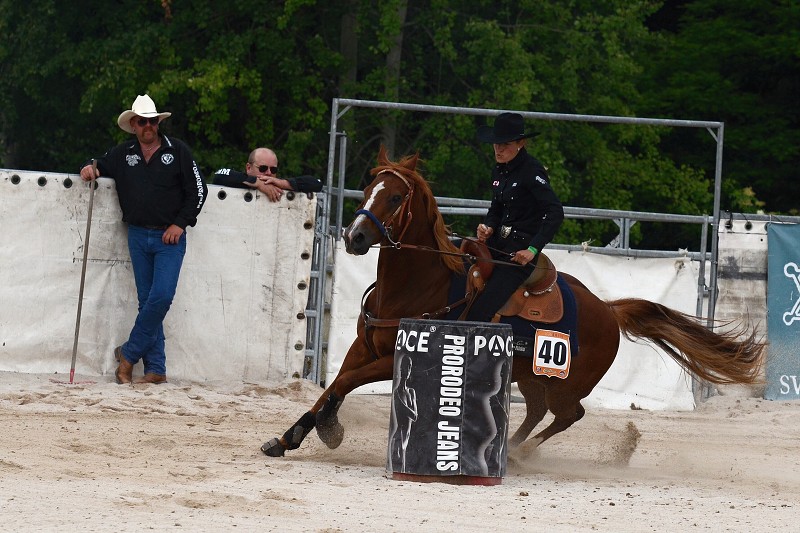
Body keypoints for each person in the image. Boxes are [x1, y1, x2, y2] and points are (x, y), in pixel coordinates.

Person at [79, 94, 207, 384]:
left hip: (169, 237)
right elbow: (98, 162)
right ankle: (156, 368)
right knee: (148, 301)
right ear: (134, 125)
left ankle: (127, 355)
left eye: (152, 121)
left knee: (160, 297)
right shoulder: (123, 153)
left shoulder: (178, 151)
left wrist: (180, 224)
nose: (148, 126)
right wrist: (89, 167)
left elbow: (199, 191)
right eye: (142, 121)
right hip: (137, 233)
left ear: (158, 123)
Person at [466, 112, 564, 322]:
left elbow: (555, 212)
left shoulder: (532, 171)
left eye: (505, 144)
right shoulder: (498, 170)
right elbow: (496, 208)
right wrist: (489, 226)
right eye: (496, 143)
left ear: (521, 143)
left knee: (480, 311)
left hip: (519, 254)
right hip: (496, 244)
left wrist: (532, 249)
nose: (498, 149)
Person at [212, 147, 322, 202]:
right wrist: (258, 183)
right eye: (263, 168)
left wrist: (283, 183)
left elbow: (317, 184)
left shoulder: (279, 186)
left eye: (273, 169)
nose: (269, 173)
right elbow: (219, 174)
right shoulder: (239, 180)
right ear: (248, 168)